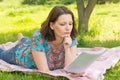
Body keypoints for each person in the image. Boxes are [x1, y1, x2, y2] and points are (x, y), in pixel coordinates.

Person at [0, 6, 84, 77]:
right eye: (62, 24)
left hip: (32, 45)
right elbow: (44, 71)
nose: (68, 28)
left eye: (70, 24)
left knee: (27, 42)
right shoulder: (38, 37)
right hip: (19, 54)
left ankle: (22, 39)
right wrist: (68, 76)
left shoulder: (70, 36)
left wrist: (67, 48)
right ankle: (22, 40)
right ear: (52, 25)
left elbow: (69, 68)